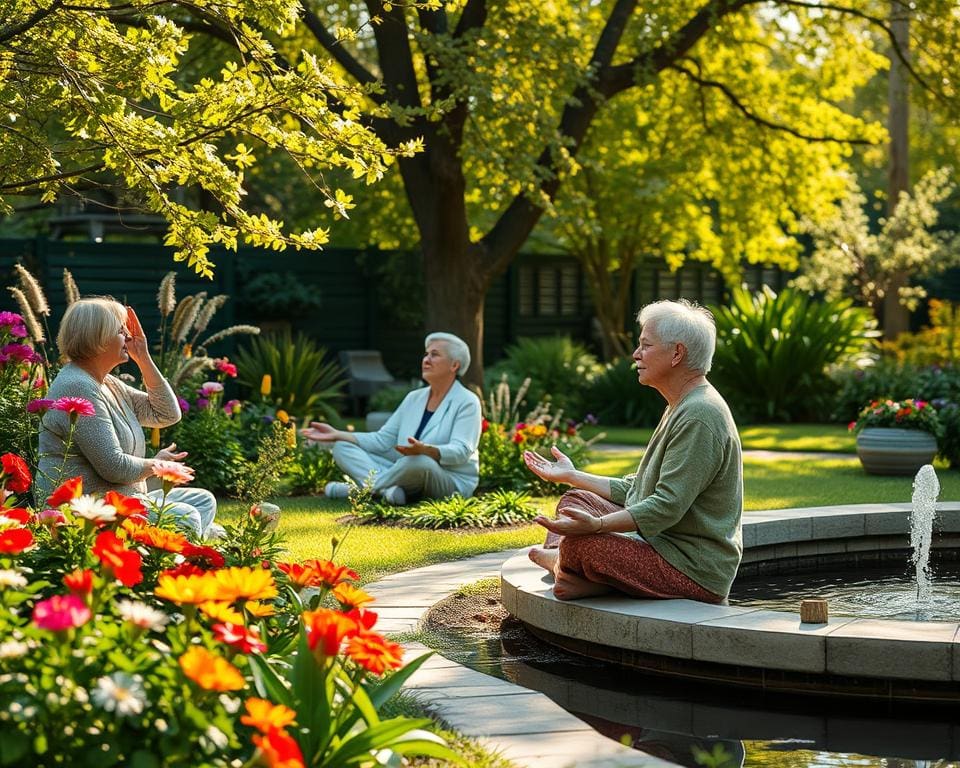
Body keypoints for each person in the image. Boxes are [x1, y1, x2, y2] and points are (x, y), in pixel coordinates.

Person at [524, 299, 742, 603]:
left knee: (580, 544)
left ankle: (562, 561)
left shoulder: (699, 415)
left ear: (677, 353)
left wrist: (598, 526)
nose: (636, 354)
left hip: (693, 569)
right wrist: (572, 476)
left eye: (645, 345)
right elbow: (638, 488)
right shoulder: (682, 404)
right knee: (576, 500)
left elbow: (666, 506)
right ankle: (578, 574)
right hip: (658, 544)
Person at [37, 297, 220, 539]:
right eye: (121, 330)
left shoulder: (107, 383)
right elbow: (114, 467)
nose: (129, 337)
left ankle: (204, 541)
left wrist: (143, 358)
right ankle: (198, 548)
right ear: (98, 337)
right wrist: (158, 465)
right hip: (87, 511)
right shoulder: (78, 386)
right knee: (188, 517)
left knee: (203, 501)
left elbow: (165, 413)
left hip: (122, 499)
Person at [301, 332, 481, 505]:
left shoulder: (467, 401)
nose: (426, 359)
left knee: (419, 461)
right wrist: (337, 435)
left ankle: (361, 489)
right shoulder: (414, 398)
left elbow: (462, 451)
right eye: (426, 354)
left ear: (454, 365)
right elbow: (382, 440)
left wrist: (427, 451)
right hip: (403, 470)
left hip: (449, 479)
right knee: (342, 447)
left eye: (435, 355)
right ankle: (388, 490)